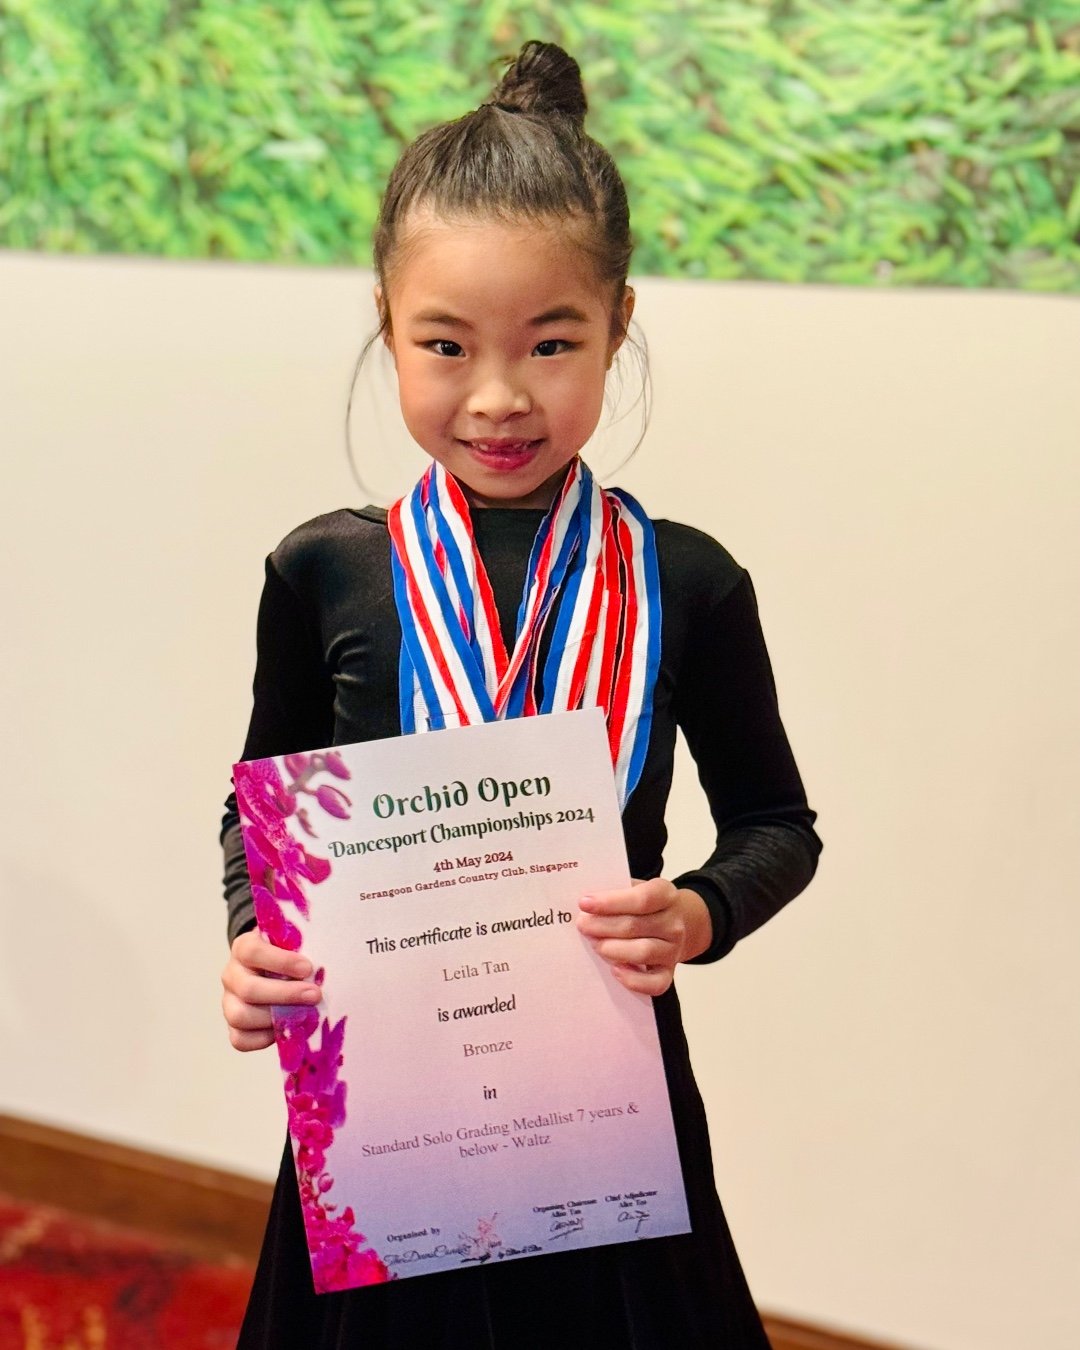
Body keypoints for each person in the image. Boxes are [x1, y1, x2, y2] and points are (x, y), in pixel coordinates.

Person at [220, 39, 821, 1349]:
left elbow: (782, 825)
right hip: (384, 1105)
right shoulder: (324, 571)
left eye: (553, 342)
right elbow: (256, 801)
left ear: (618, 325)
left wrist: (699, 912)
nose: (498, 396)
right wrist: (251, 939)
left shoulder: (687, 583)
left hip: (600, 1103)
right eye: (446, 344)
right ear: (390, 330)